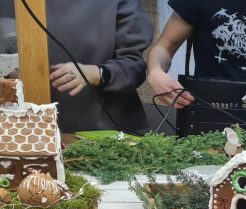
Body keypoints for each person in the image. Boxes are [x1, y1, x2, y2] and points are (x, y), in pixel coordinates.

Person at [3, 0, 153, 133]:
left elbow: (134, 66)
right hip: (20, 131)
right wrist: (8, 76)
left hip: (102, 132)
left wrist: (94, 73)